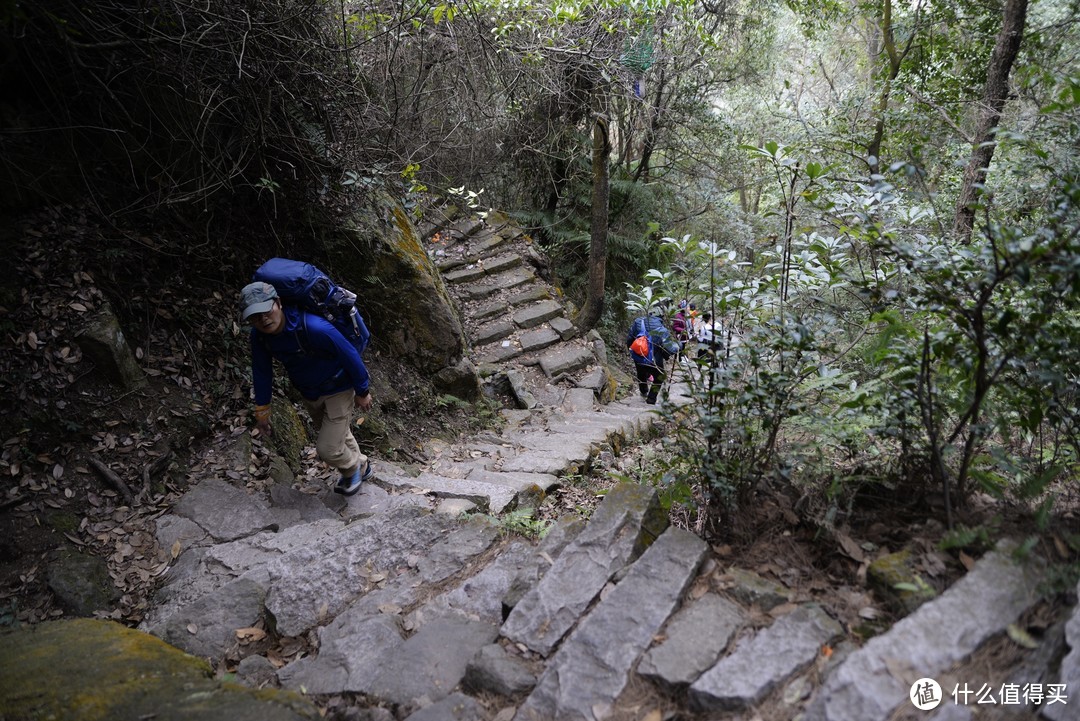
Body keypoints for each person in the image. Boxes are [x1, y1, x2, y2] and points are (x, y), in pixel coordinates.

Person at [240, 281, 374, 496]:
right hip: (310, 393)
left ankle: (351, 469)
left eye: (266, 310)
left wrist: (362, 391)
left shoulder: (313, 326)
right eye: (254, 316)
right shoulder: (260, 336)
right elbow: (261, 371)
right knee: (340, 435)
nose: (263, 319)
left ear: (278, 303)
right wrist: (262, 410)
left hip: (339, 388)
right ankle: (364, 466)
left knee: (327, 448)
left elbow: (348, 353)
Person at [626, 310, 681, 404]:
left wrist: (634, 351)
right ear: (661, 317)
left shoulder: (638, 321)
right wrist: (678, 346)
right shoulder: (662, 329)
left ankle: (643, 392)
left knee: (641, 372)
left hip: (639, 354)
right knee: (660, 377)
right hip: (655, 359)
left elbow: (630, 339)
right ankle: (651, 399)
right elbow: (670, 349)